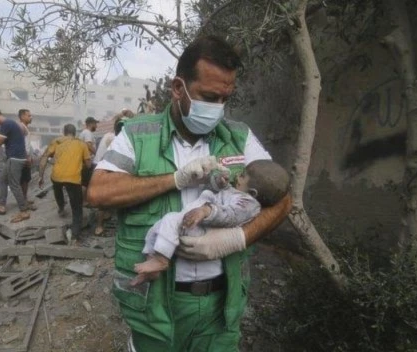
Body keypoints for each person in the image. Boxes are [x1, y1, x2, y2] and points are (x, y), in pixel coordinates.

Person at [88, 35, 292, 351]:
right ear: (177, 88)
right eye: (209, 97)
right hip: (154, 304)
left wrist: (237, 239)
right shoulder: (138, 134)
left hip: (220, 307)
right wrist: (177, 179)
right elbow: (99, 193)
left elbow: (282, 197)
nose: (217, 109)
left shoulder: (239, 137)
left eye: (225, 99)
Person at [134, 160, 290, 285]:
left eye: (242, 176)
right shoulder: (238, 193)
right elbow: (218, 192)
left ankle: (161, 260)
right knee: (157, 228)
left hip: (202, 228)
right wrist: (220, 182)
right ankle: (152, 263)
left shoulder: (247, 204)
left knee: (169, 221)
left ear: (253, 192)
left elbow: (230, 215)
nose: (237, 177)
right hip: (194, 219)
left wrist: (206, 211)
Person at [38, 124, 91, 240]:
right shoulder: (82, 143)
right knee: (77, 208)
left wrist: (40, 177)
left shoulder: (57, 141)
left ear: (64, 132)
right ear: (75, 133)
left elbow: (44, 158)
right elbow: (88, 164)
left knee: (57, 186)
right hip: (73, 178)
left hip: (56, 175)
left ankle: (61, 206)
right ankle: (75, 236)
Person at [0, 106, 30, 223]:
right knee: (2, 180)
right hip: (15, 158)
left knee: (14, 184)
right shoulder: (7, 124)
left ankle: (24, 211)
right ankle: (1, 206)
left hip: (15, 158)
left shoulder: (6, 124)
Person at [93, 111, 133, 236]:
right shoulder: (115, 139)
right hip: (105, 170)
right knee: (108, 198)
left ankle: (106, 218)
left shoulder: (108, 135)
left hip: (100, 168)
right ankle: (100, 226)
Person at [18, 109, 38, 211]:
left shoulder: (25, 128)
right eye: (29, 116)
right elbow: (21, 144)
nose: (31, 117)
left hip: (26, 156)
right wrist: (26, 157)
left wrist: (31, 155)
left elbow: (27, 144)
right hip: (23, 157)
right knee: (24, 180)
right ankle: (23, 201)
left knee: (25, 179)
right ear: (22, 117)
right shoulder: (21, 127)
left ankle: (24, 199)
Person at [78, 116, 98, 190]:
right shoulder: (87, 133)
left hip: (84, 162)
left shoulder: (84, 132)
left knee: (84, 183)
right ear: (91, 124)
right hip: (87, 162)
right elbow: (88, 145)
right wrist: (97, 153)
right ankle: (84, 199)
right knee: (87, 183)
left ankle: (84, 199)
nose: (96, 126)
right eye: (95, 124)